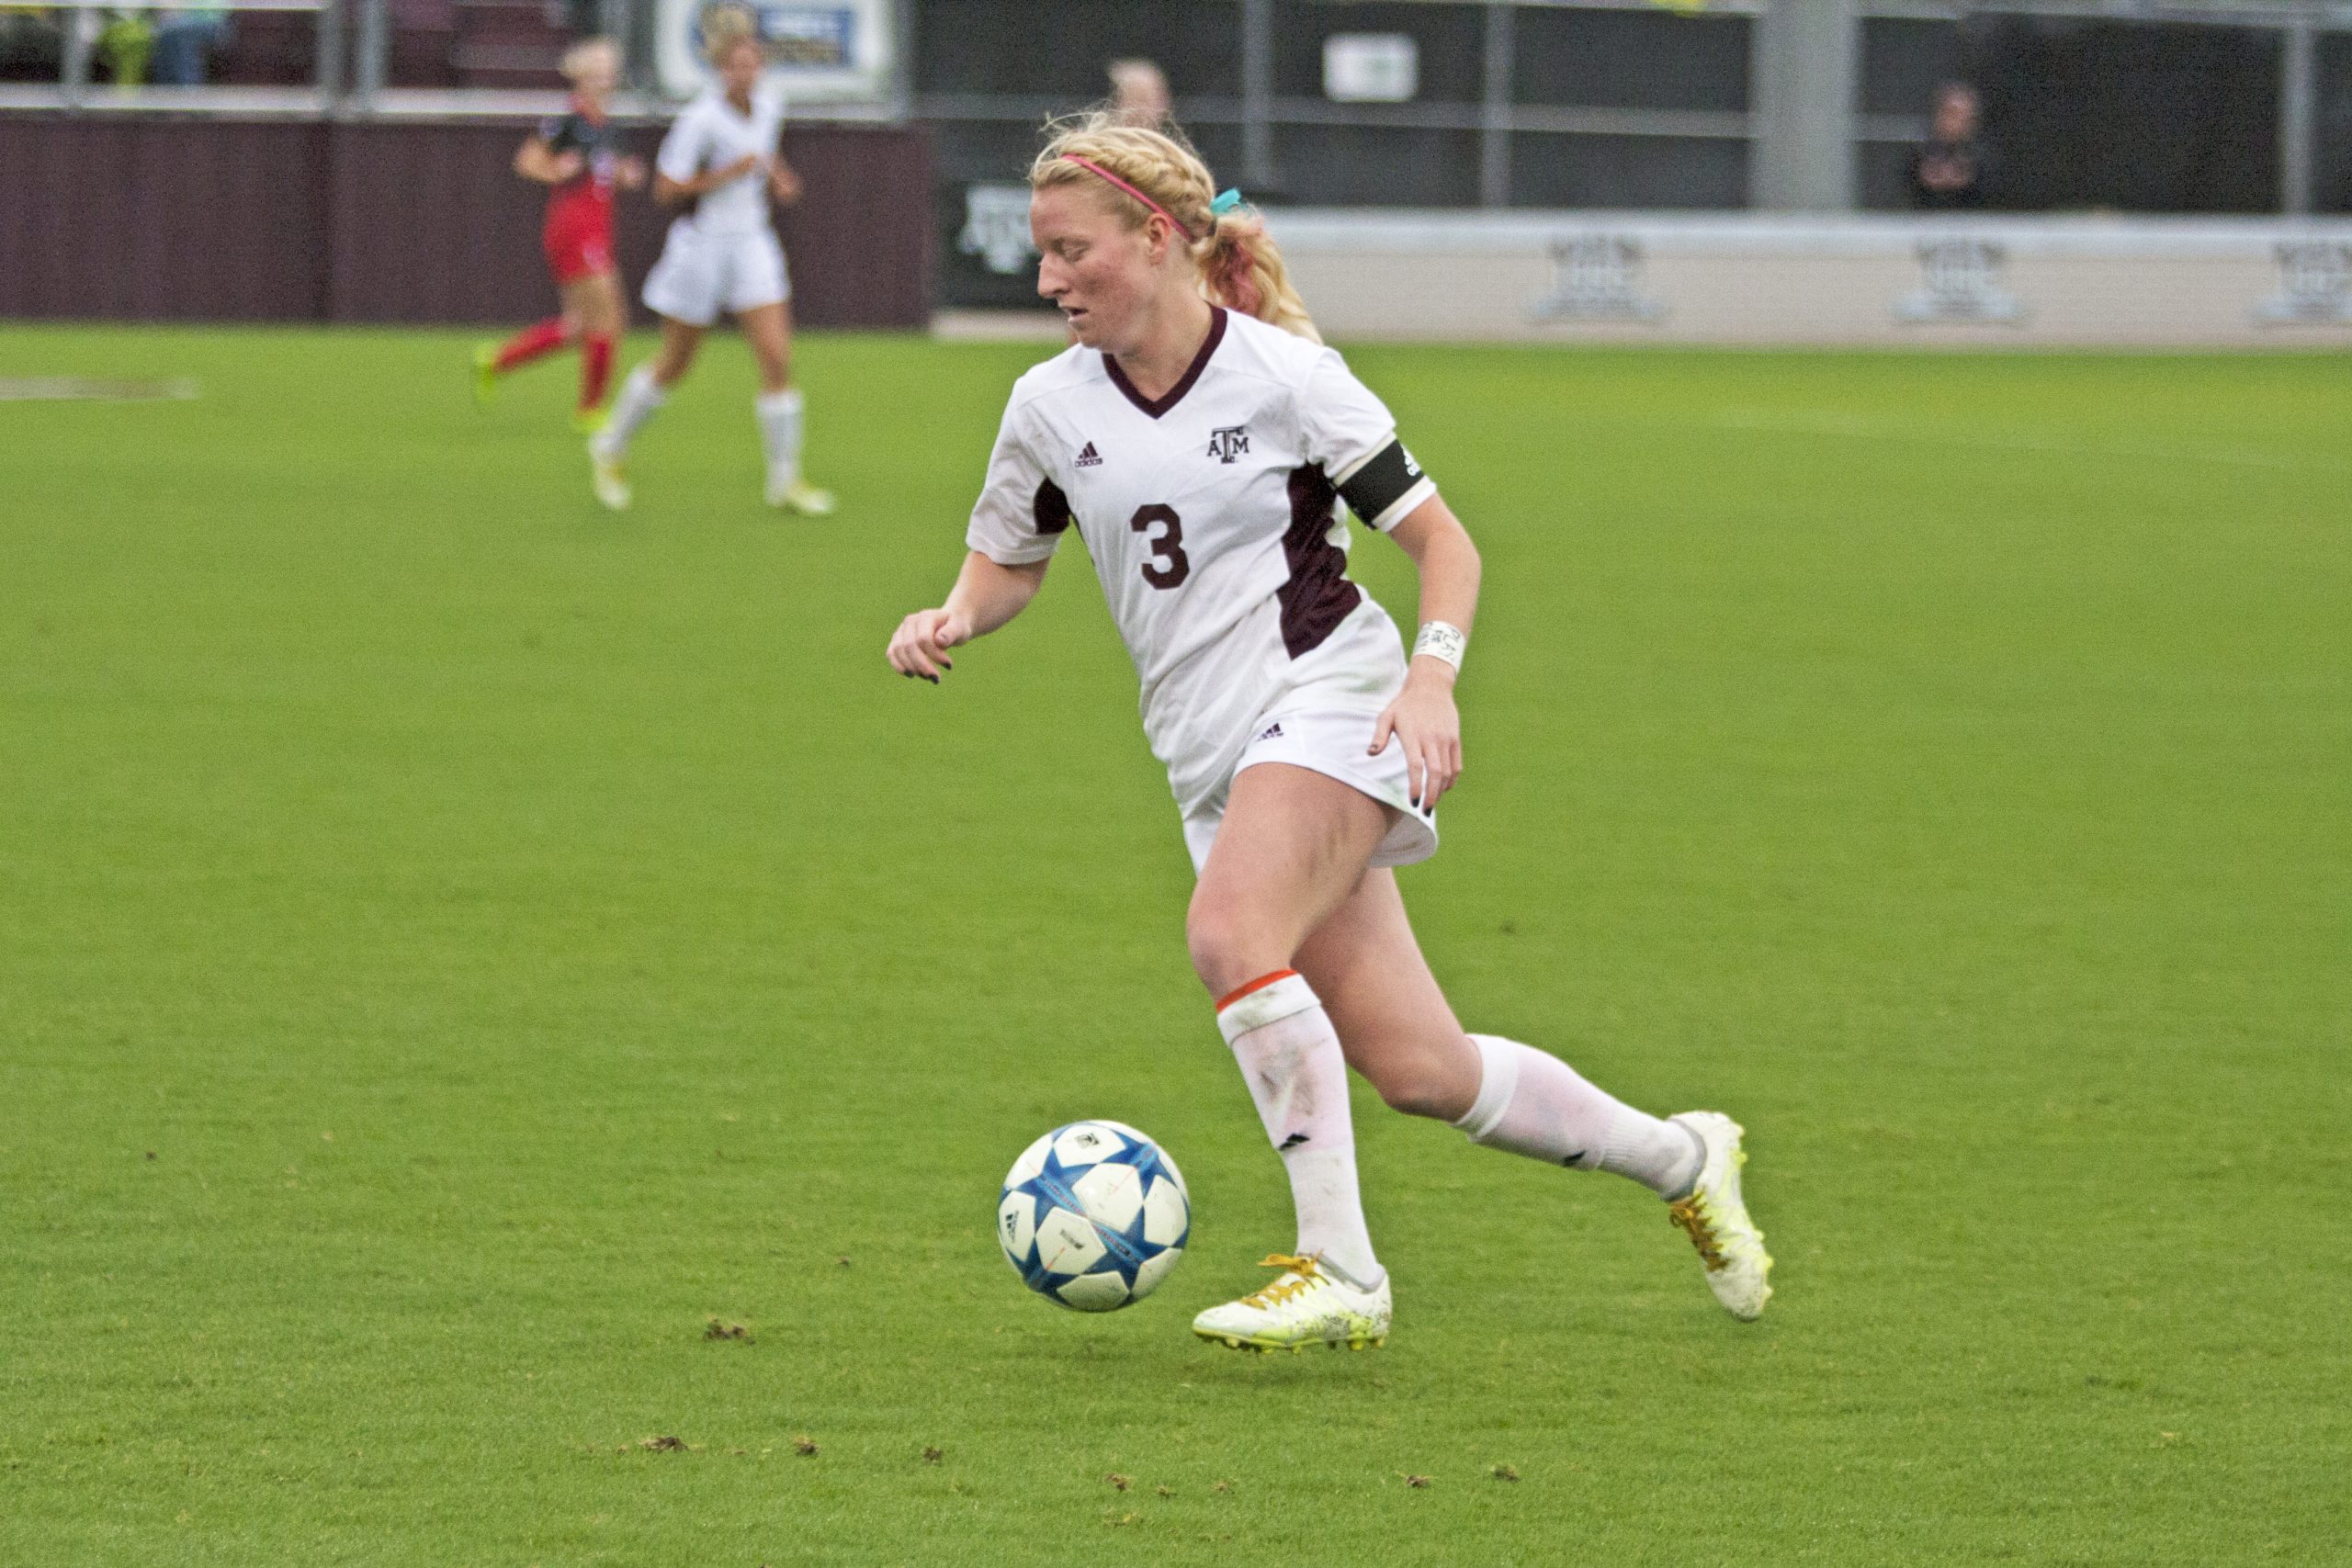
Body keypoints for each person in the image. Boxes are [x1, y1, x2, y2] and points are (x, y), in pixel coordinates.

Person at [886, 115, 1772, 1353]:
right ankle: (1684, 1154)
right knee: (1422, 1068)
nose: (1045, 280)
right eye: (1040, 255)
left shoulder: (1289, 379)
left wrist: (1432, 678)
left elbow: (1444, 545)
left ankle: (1342, 1266)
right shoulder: (1045, 406)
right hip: (1210, 758)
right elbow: (1007, 563)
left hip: (1330, 699)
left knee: (1228, 933)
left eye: (1068, 250)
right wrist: (953, 616)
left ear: (1154, 238)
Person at [587, 6, 831, 515]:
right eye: (734, 65)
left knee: (777, 357)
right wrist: (723, 174)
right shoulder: (700, 119)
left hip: (752, 242)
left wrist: (778, 177)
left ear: (760, 66)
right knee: (675, 364)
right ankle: (610, 444)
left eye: (751, 64)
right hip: (702, 246)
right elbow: (665, 188)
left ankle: (784, 480)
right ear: (721, 70)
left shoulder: (769, 106)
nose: (744, 73)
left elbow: (764, 155)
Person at [472, 37, 645, 433]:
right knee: (609, 317)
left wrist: (624, 177)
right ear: (580, 76)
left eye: (609, 69)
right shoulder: (570, 123)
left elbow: (611, 175)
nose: (605, 77)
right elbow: (527, 160)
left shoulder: (609, 129)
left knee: (581, 325)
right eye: (597, 69)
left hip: (599, 227)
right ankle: (590, 411)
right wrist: (555, 171)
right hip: (574, 228)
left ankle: (497, 361)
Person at [1910, 82, 1989, 210]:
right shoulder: (1919, 152)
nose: (1959, 122)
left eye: (1967, 117)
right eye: (1953, 114)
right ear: (1938, 115)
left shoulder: (1982, 156)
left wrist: (1967, 179)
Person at [1107, 58, 1170, 130]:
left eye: (1144, 100)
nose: (1137, 109)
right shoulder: (1102, 138)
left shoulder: (1171, 138)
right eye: (1132, 100)